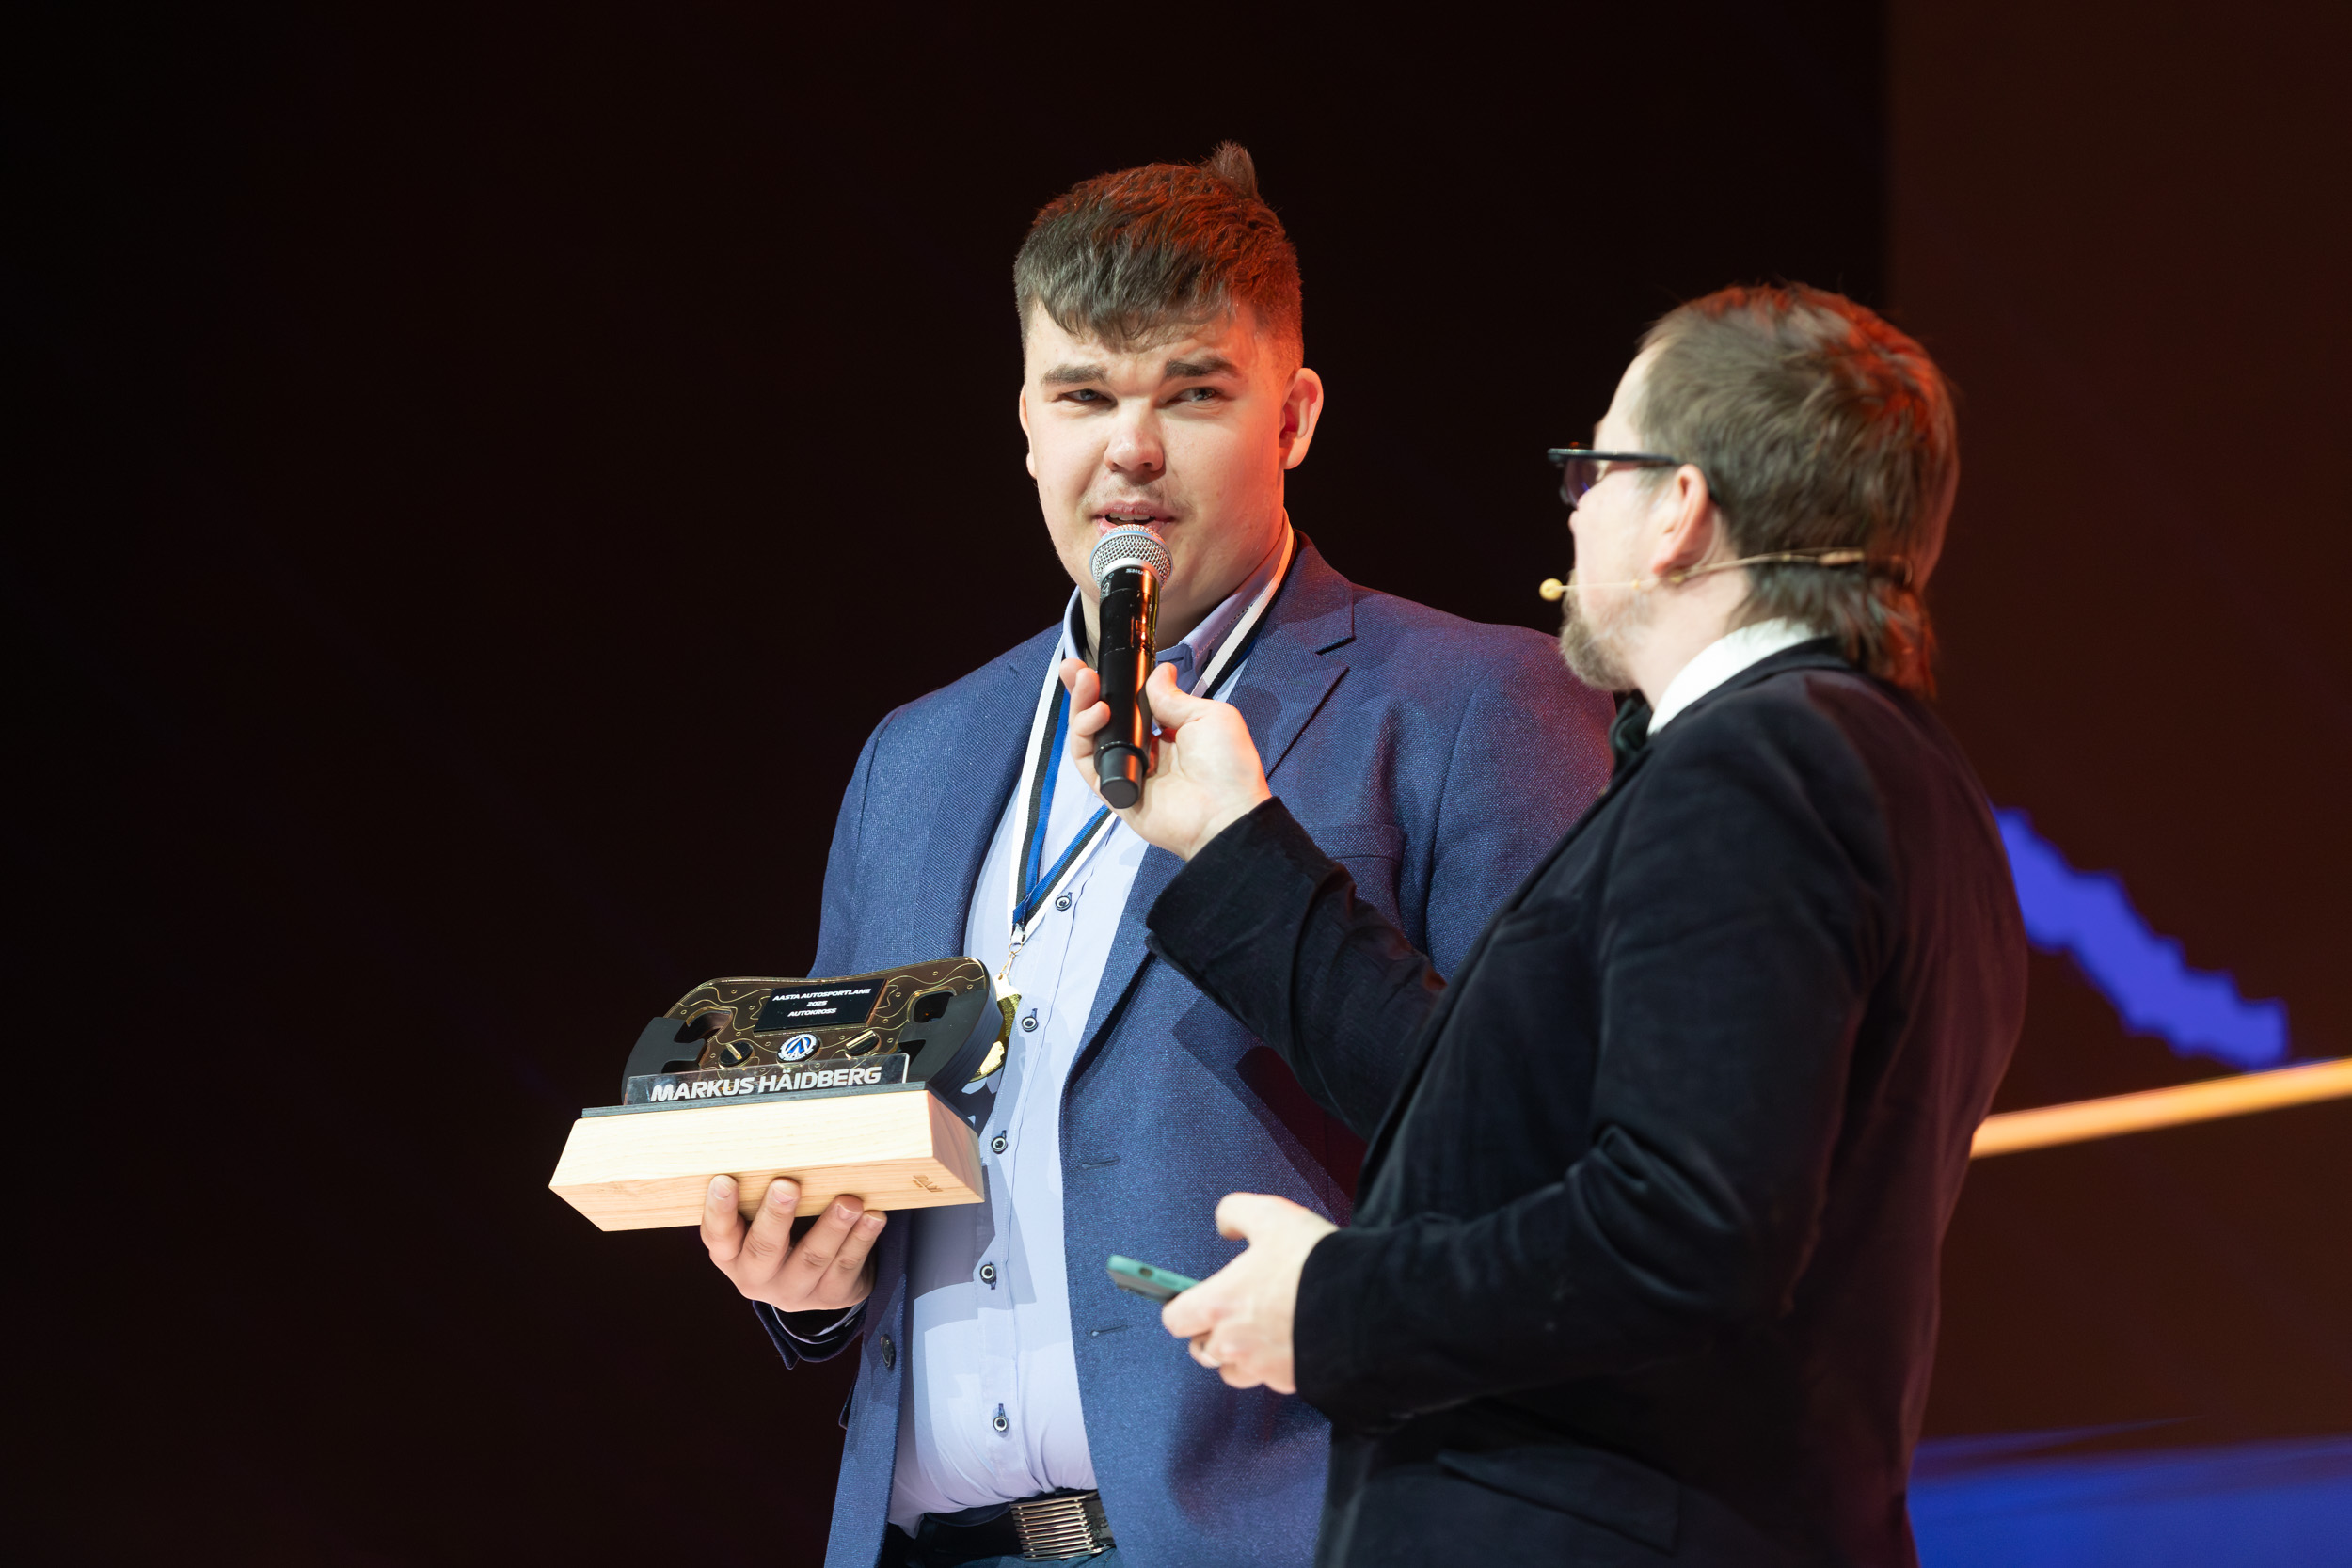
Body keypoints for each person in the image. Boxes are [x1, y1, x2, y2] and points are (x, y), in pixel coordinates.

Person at [697, 145, 1614, 1568]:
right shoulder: (916, 757)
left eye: (1192, 394)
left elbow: (1550, 1153)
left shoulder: (1470, 706)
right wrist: (805, 1277)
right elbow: (852, 1155)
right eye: (1083, 395)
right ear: (1024, 423)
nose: (1129, 449)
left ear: (1294, 416)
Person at [1062, 284, 2027, 1565]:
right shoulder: (1885, 770)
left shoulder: (1757, 771)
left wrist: (1341, 1306)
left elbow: (1685, 1229)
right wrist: (1235, 848)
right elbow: (1528, 1137)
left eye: (1596, 469)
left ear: (1680, 510)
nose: (1574, 508)